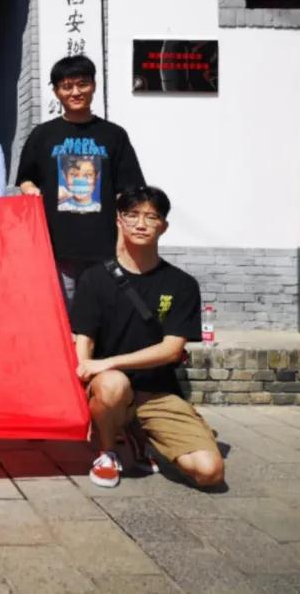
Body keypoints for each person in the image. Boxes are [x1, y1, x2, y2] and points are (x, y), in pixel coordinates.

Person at [71, 186, 224, 490]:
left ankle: (138, 432)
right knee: (113, 384)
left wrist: (108, 362)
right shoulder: (94, 279)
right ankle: (108, 452)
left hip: (157, 392)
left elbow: (171, 350)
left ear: (163, 226)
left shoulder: (181, 284)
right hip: (109, 389)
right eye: (132, 215)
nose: (141, 224)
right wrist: (86, 383)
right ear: (119, 221)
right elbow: (84, 341)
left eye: (151, 217)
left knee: (209, 472)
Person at [16, 56, 144, 309]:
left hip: (104, 247)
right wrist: (29, 188)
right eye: (66, 86)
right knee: (63, 316)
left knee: (102, 313)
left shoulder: (114, 135)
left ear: (93, 86)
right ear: (56, 91)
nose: (75, 92)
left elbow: (128, 191)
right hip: (56, 247)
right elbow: (25, 178)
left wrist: (124, 239)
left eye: (82, 84)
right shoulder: (43, 135)